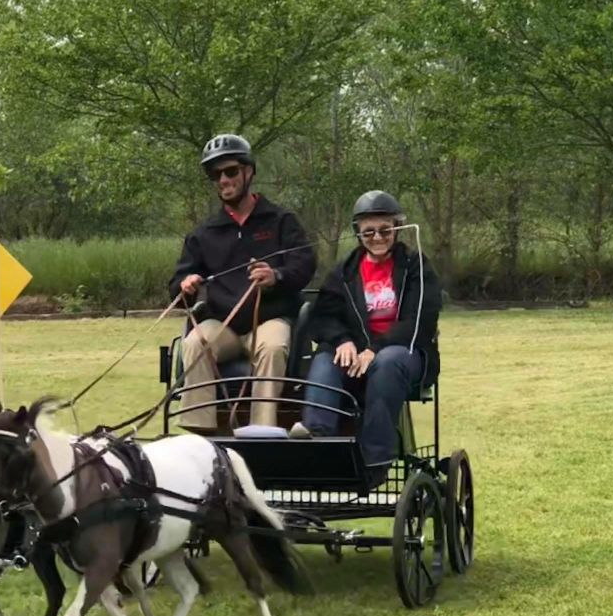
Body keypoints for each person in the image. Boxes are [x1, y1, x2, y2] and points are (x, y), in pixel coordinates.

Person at [291, 190, 441, 485]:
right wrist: (342, 340)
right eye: (368, 231)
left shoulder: (415, 266)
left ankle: (375, 460)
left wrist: (375, 348)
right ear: (357, 233)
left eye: (386, 230)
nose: (377, 237)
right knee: (325, 359)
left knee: (386, 362)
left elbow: (419, 321)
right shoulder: (345, 271)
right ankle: (318, 445)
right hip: (356, 352)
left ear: (397, 228)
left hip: (403, 352)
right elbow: (324, 314)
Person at [168, 133, 316, 431]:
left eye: (231, 171)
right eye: (215, 174)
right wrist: (186, 285)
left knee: (273, 347)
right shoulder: (204, 233)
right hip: (223, 325)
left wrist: (276, 276)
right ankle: (202, 436)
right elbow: (176, 288)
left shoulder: (281, 220)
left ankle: (262, 434)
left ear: (249, 171)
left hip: (270, 319)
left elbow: (304, 265)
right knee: (195, 343)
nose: (223, 179)